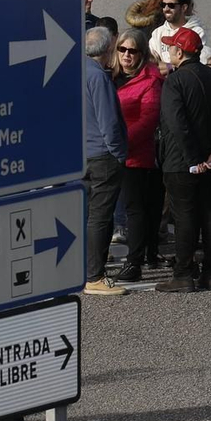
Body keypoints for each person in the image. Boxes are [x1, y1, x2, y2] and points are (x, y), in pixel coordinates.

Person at [158, 27, 211, 292]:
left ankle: (183, 274)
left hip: (182, 163)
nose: (168, 51)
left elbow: (177, 124)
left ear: (180, 52)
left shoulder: (175, 81)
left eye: (170, 48)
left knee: (185, 217)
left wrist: (194, 158)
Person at [113, 29, 163, 282]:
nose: (126, 55)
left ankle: (134, 262)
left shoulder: (150, 81)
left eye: (132, 51)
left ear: (142, 54)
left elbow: (148, 120)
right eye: (122, 50)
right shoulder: (108, 77)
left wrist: (119, 143)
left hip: (135, 155)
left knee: (135, 209)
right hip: (107, 153)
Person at [84, 26, 128, 294]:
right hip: (102, 154)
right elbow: (109, 122)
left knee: (87, 214)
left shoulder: (72, 72)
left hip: (80, 155)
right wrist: (119, 152)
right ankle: (95, 276)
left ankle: (87, 267)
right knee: (100, 216)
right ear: (108, 49)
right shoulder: (98, 77)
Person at [149, 0, 205, 66]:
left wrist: (169, 67)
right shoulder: (157, 33)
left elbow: (198, 62)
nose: (166, 9)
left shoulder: (197, 32)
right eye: (163, 4)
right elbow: (151, 60)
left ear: (183, 8)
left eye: (171, 5)